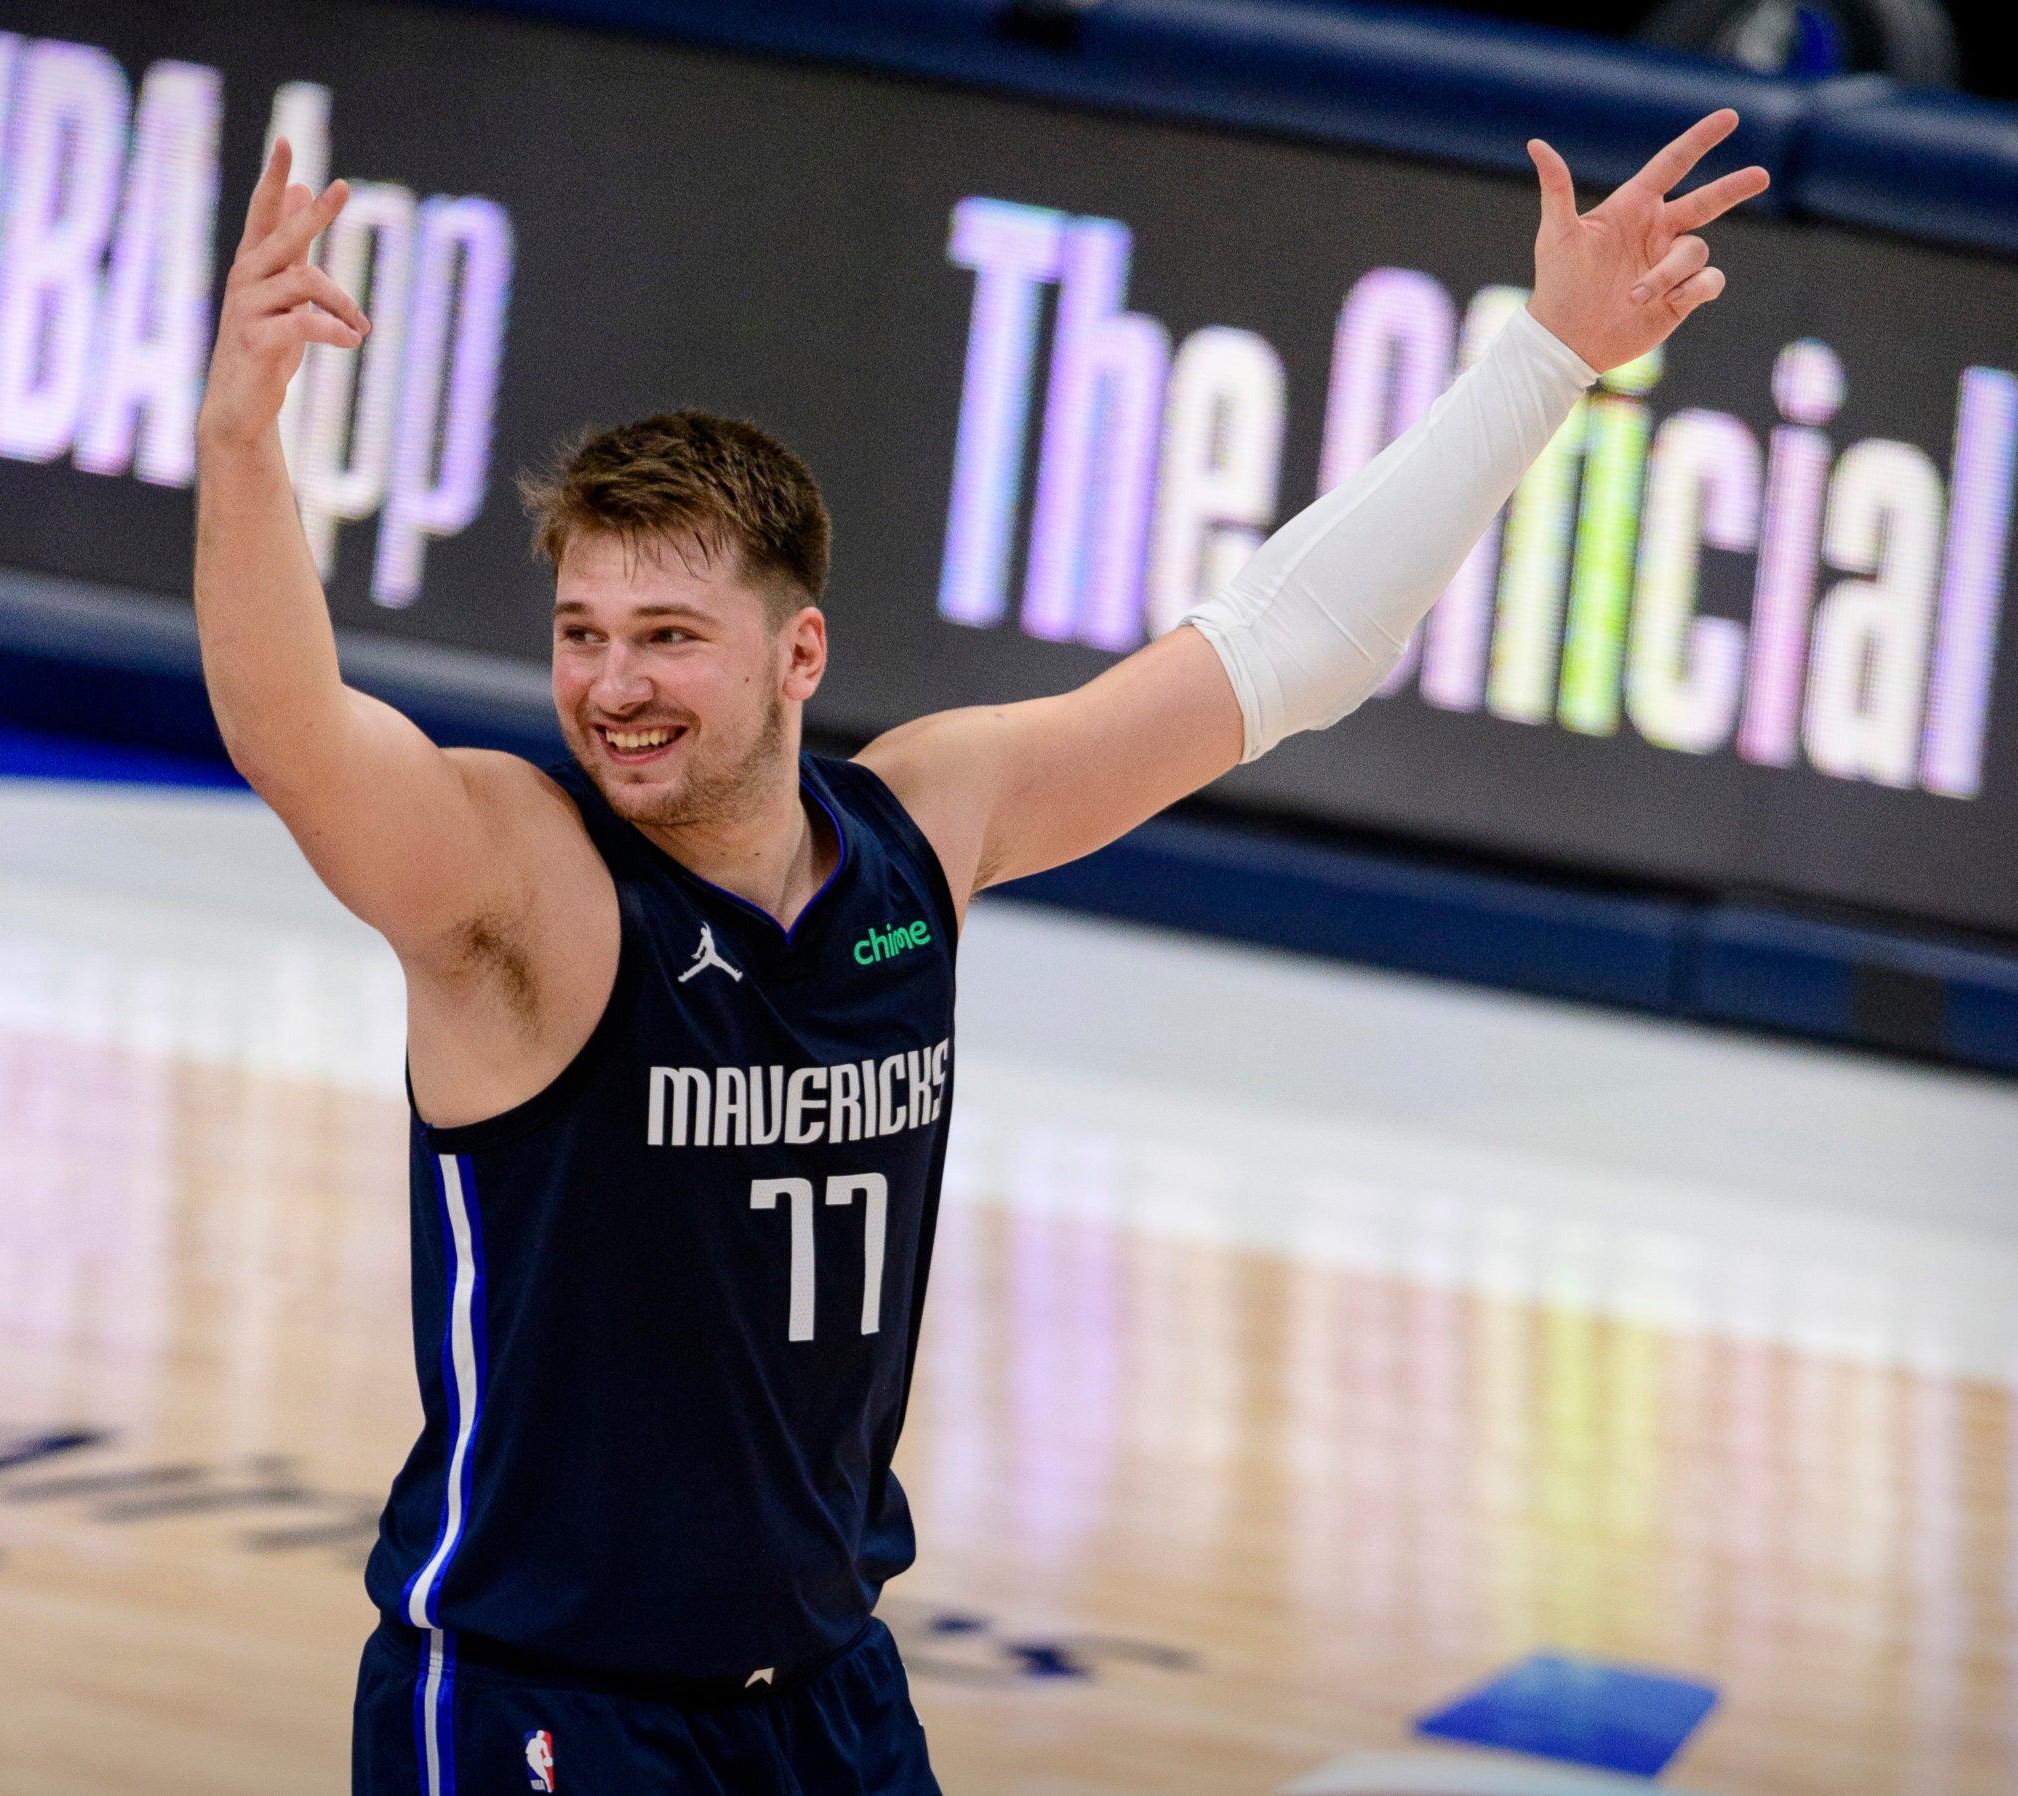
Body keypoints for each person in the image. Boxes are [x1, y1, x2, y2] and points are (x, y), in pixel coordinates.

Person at [192, 110, 1768, 1796]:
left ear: (800, 653)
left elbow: (1282, 652)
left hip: (825, 1696)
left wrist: (1541, 361)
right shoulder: (527, 884)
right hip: (544, 1711)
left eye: (668, 637)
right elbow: (297, 736)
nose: (612, 685)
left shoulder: (921, 830)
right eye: (581, 635)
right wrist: (242, 444)